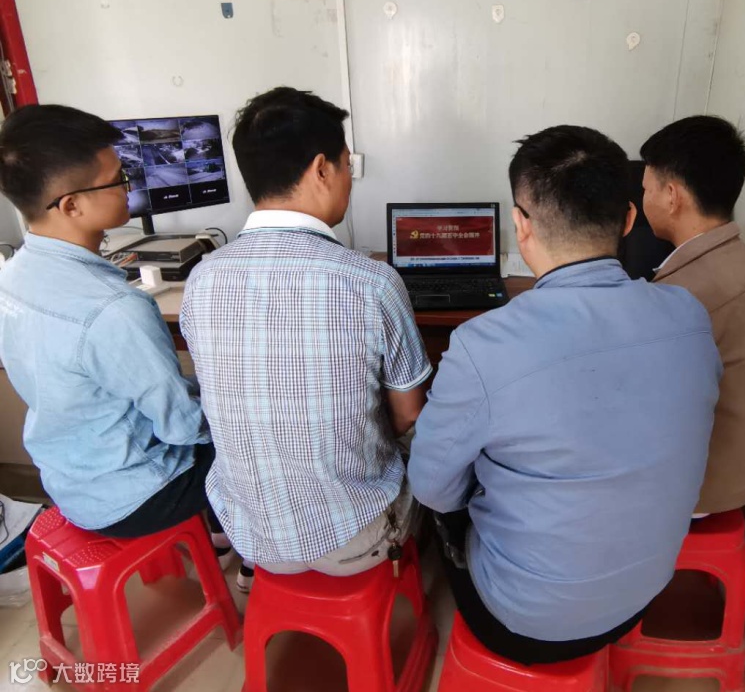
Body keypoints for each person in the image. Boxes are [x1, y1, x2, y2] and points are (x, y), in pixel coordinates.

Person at [408, 125, 721, 665]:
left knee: (445, 493)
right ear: (629, 218)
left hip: (523, 624)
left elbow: (433, 489)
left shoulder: (484, 344)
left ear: (520, 224)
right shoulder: (689, 315)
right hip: (641, 599)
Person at [180, 87, 429, 591]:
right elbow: (408, 415)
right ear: (321, 170)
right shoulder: (372, 283)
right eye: (346, 166)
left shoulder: (202, 279)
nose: (348, 180)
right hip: (354, 540)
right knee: (438, 463)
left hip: (251, 534)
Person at [0, 105, 227, 552]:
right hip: (135, 495)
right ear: (71, 205)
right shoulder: (115, 309)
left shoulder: (12, 276)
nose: (130, 186)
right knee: (261, 438)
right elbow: (182, 428)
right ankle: (243, 548)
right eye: (119, 178)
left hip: (67, 479)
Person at [641, 115, 745, 515]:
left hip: (700, 492)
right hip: (741, 476)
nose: (643, 199)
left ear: (672, 196)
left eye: (646, 189)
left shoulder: (685, 295)